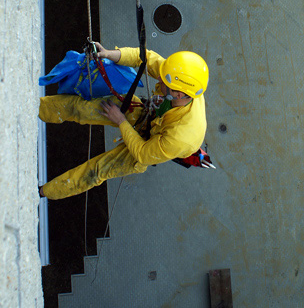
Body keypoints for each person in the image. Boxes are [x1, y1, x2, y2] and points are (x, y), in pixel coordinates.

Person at [39, 44, 209, 199]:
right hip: (151, 116)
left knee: (98, 170)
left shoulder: (180, 137)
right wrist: (108, 54)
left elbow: (142, 153)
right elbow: (144, 57)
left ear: (178, 95)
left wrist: (121, 121)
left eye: (163, 80)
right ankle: (38, 108)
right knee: (84, 107)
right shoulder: (180, 79)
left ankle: (44, 192)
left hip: (150, 145)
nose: (158, 76)